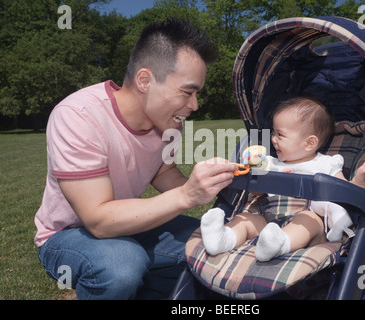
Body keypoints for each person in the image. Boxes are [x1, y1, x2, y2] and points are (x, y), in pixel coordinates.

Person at [35, 18, 238, 299]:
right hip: (69, 235)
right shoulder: (78, 115)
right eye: (187, 92)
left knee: (220, 246)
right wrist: (188, 195)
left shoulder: (169, 123)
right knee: (121, 265)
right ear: (145, 80)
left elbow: (162, 171)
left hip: (133, 225)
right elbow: (98, 220)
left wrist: (220, 186)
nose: (194, 105)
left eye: (197, 94)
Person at [200, 97, 365, 261]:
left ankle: (281, 244)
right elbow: (255, 192)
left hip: (307, 227)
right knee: (245, 220)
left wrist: (357, 182)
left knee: (308, 219)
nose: (273, 139)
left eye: (280, 135)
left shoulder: (325, 164)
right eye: (273, 133)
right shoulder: (270, 163)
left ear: (309, 143)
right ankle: (222, 239)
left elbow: (342, 191)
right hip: (268, 222)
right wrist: (253, 171)